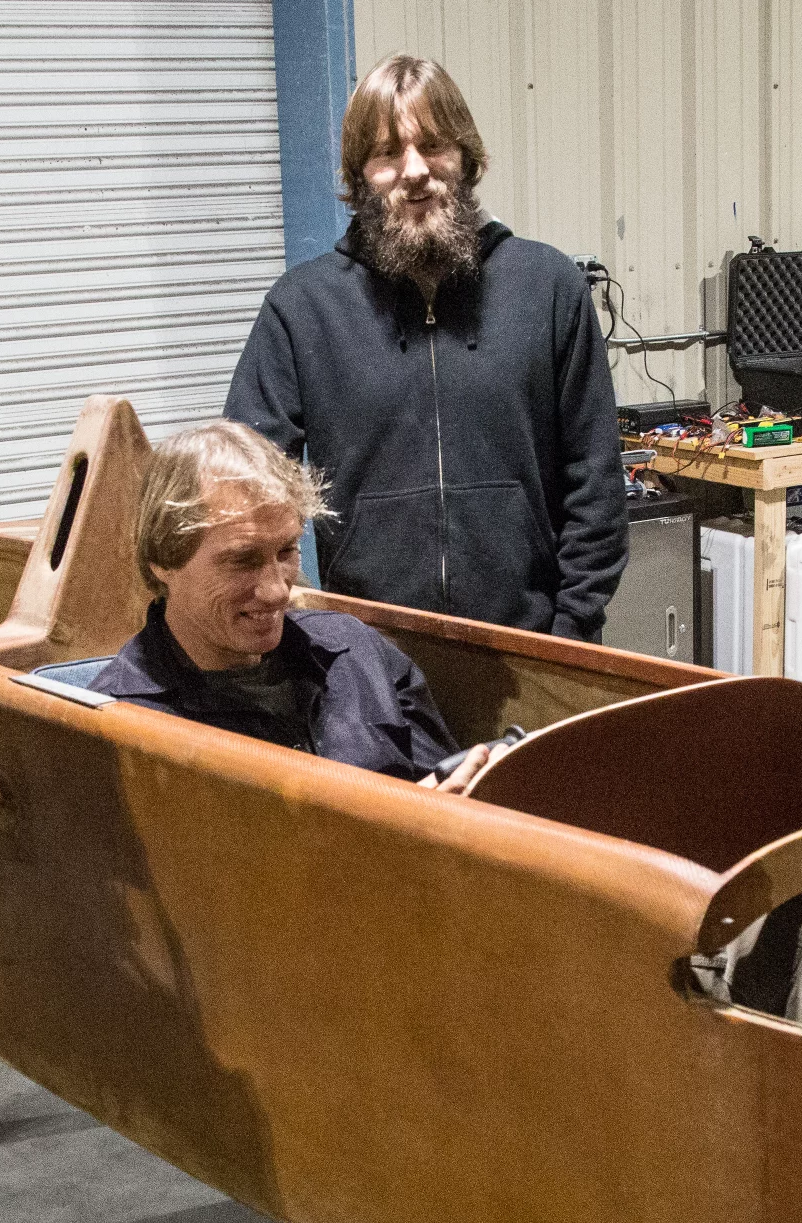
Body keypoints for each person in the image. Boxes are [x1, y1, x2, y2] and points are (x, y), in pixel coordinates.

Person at [225, 53, 626, 640]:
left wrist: (570, 631)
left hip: (535, 643)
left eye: (433, 145)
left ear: (467, 157)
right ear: (360, 174)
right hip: (366, 653)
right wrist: (303, 626)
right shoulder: (303, 307)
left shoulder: (548, 288)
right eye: (388, 153)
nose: (414, 170)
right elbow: (245, 487)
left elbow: (596, 481)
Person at [91, 421, 498, 791]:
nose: (277, 592)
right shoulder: (115, 726)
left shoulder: (357, 651)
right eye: (242, 560)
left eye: (287, 551)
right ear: (162, 560)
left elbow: (442, 784)